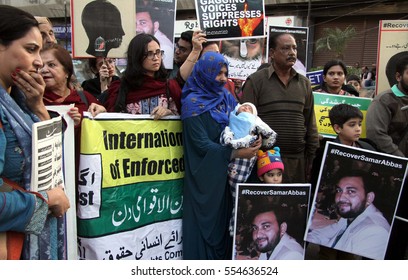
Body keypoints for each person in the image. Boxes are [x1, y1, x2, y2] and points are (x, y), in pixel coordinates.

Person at [0, 5, 70, 259]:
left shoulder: (21, 101)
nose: (39, 62)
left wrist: (39, 108)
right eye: (31, 50)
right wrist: (46, 201)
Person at [181, 51, 262, 260]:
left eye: (226, 73)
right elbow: (200, 145)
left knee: (226, 228)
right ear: (205, 72)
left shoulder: (226, 96)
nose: (224, 78)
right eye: (218, 73)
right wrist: (236, 152)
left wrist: (252, 135)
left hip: (227, 177)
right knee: (205, 228)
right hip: (205, 177)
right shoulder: (192, 103)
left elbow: (239, 122)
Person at [239, 32, 319, 184]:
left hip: (297, 161)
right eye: (285, 48)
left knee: (294, 206)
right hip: (265, 161)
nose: (292, 53)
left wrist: (312, 156)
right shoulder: (256, 81)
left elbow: (310, 122)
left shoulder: (304, 83)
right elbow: (245, 122)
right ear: (272, 53)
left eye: (294, 48)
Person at [309, 103, 376, 260]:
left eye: (359, 124)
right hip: (329, 212)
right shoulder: (325, 149)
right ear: (338, 128)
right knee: (328, 252)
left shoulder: (368, 148)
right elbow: (317, 181)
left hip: (355, 212)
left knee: (349, 251)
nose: (358, 129)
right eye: (352, 125)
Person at [40, 44, 106, 181]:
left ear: (66, 72)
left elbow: (104, 135)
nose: (44, 70)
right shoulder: (36, 102)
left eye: (51, 65)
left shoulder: (85, 98)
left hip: (85, 176)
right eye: (40, 66)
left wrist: (102, 114)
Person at [103, 31, 206, 118]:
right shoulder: (121, 87)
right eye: (149, 54)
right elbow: (110, 119)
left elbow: (180, 116)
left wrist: (168, 113)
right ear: (137, 56)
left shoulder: (169, 86)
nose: (156, 58)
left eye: (158, 52)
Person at [366, 55, 408, 259]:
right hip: (390, 175)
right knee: (382, 231)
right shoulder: (385, 100)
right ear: (398, 76)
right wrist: (403, 162)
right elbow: (377, 135)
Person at [306, 168, 390, 260]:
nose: (341, 197)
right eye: (339, 190)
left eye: (351, 191)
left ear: (369, 197)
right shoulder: (352, 214)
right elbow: (323, 233)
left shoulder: (375, 230)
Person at [221, 102, 277, 236]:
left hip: (247, 163)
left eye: (250, 109)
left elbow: (269, 135)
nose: (246, 108)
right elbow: (226, 140)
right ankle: (234, 227)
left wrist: (260, 140)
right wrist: (236, 143)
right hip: (234, 165)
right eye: (244, 106)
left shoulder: (256, 122)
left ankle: (235, 227)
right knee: (236, 196)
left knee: (240, 197)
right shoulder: (230, 123)